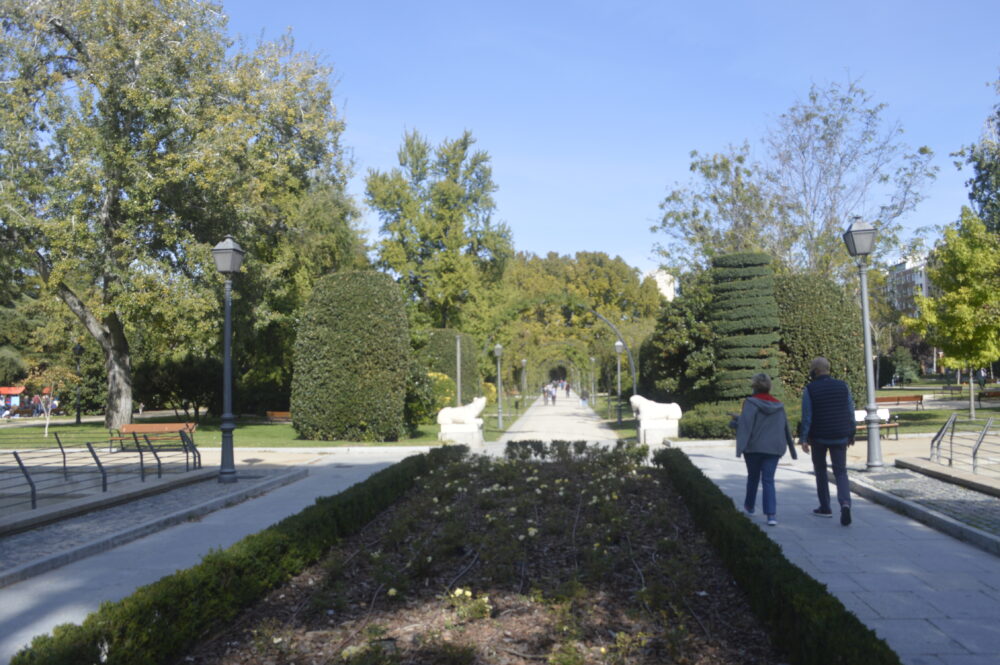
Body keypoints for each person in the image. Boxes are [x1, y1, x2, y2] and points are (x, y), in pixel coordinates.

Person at [800, 357, 856, 526]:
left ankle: (825, 507)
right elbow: (850, 411)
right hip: (840, 435)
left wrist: (803, 438)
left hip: (819, 437)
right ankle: (845, 503)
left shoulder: (810, 389)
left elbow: (807, 416)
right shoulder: (842, 386)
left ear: (815, 371)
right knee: (841, 472)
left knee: (820, 470)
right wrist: (851, 433)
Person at [735, 373, 796, 526]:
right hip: (774, 448)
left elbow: (746, 425)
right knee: (768, 480)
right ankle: (771, 515)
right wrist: (792, 449)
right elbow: (786, 428)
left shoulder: (750, 403)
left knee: (753, 478)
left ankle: (749, 507)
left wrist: (739, 444)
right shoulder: (779, 405)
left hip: (753, 448)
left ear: (754, 386)